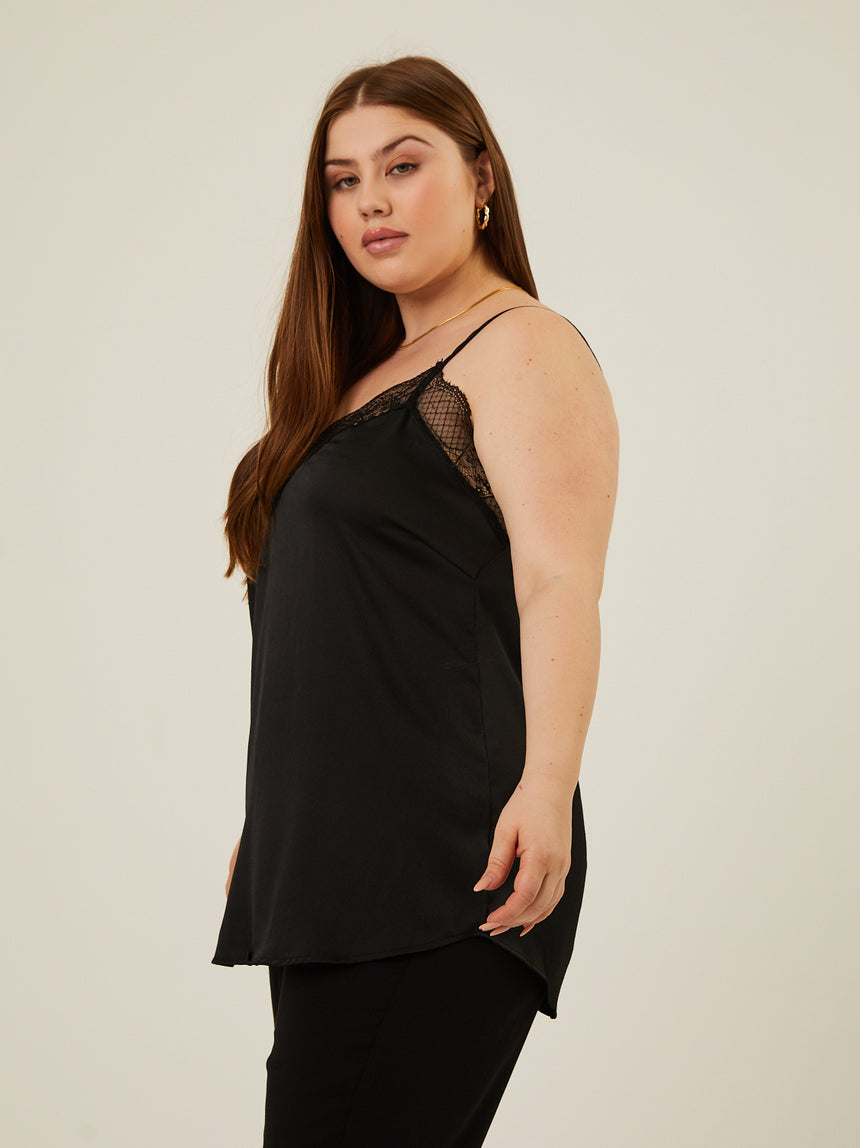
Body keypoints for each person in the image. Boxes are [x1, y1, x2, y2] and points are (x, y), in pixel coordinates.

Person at [212, 55, 618, 1147]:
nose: (371, 202)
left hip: (452, 855)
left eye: (402, 165)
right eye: (343, 181)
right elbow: (338, 630)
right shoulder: (355, 381)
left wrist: (548, 784)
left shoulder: (519, 345)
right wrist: (279, 820)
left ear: (482, 177)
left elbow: (559, 578)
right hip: (331, 863)